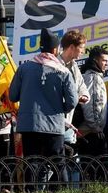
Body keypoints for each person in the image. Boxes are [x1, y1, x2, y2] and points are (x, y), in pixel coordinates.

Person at [9, 28, 77, 162]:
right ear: (55, 50)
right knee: (57, 165)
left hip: (29, 126)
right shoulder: (63, 71)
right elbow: (72, 101)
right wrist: (60, 108)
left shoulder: (23, 68)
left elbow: (12, 96)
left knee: (32, 165)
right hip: (53, 126)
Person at [58, 31, 89, 152]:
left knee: (69, 159)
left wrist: (84, 95)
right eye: (81, 48)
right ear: (71, 47)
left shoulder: (74, 66)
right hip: (56, 122)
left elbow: (82, 85)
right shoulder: (54, 65)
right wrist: (75, 97)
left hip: (69, 122)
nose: (83, 51)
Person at [77, 46, 108, 155]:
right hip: (90, 131)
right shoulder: (93, 77)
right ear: (95, 60)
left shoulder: (92, 76)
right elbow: (90, 104)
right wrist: (96, 127)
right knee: (94, 166)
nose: (107, 64)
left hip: (90, 130)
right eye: (104, 60)